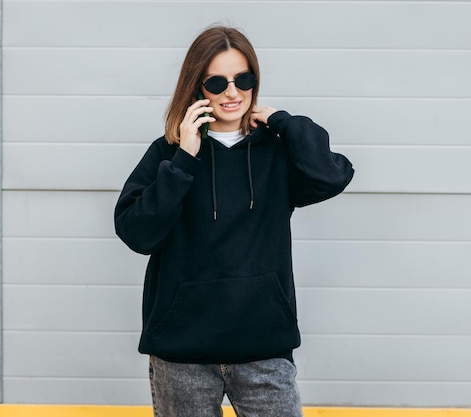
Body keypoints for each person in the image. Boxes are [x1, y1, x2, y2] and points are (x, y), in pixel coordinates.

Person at [114, 25, 354, 417]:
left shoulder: (275, 152)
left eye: (243, 79)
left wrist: (284, 122)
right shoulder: (168, 155)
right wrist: (184, 159)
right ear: (196, 87)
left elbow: (331, 175)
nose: (232, 92)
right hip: (182, 355)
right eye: (217, 82)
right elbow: (137, 232)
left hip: (263, 349)